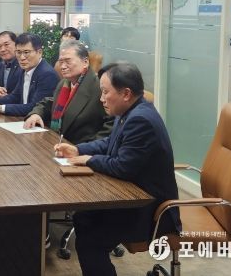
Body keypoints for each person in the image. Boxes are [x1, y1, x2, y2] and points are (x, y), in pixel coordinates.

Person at [54, 62, 181, 276]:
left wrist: (89, 160)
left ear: (126, 94)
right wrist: (77, 149)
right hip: (131, 195)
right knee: (83, 218)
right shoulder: (131, 110)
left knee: (90, 240)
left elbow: (122, 167)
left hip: (149, 209)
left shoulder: (140, 120)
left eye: (105, 92)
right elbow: (109, 143)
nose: (101, 98)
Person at [24, 40, 111, 144]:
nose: (63, 66)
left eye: (68, 61)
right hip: (57, 142)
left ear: (85, 62)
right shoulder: (65, 83)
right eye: (61, 62)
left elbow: (111, 123)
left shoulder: (99, 87)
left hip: (80, 147)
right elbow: (52, 102)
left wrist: (87, 148)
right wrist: (36, 114)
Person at [0, 33, 58, 116]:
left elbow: (35, 107)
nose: (22, 57)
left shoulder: (47, 74)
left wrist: (1, 108)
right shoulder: (25, 69)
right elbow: (15, 96)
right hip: (23, 118)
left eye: (26, 52)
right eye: (18, 52)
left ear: (39, 52)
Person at [0, 31, 22, 97]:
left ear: (16, 45)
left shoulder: (23, 64)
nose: (2, 49)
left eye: (6, 44)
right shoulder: (2, 64)